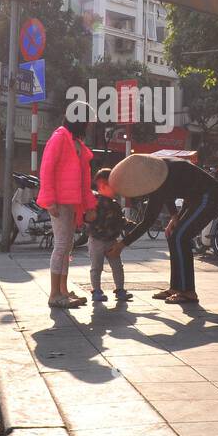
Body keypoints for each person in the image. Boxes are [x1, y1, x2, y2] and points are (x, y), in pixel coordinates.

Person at [112, 154, 218, 306]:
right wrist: (174, 216)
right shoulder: (158, 173)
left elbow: (147, 221)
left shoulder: (168, 171)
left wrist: (122, 245)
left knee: (180, 237)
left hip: (209, 196)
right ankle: (176, 288)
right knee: (173, 235)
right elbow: (168, 196)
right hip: (194, 198)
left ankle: (188, 292)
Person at [38, 103, 97, 308]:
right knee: (62, 246)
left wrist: (88, 205)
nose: (89, 125)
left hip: (71, 202)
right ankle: (54, 294)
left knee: (67, 246)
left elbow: (82, 177)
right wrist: (50, 200)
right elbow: (47, 168)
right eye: (87, 120)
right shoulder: (60, 137)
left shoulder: (73, 140)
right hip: (60, 201)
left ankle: (62, 291)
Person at [87, 168, 132, 304]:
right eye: (114, 185)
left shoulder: (115, 205)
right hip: (96, 240)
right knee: (96, 266)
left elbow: (120, 220)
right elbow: (87, 216)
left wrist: (130, 225)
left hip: (112, 240)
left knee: (117, 265)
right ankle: (96, 291)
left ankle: (120, 289)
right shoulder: (93, 202)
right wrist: (86, 216)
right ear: (103, 185)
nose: (117, 189)